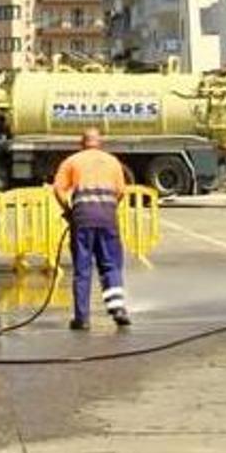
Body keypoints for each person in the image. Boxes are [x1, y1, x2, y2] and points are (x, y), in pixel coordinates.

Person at [54, 128, 131, 330]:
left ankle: (82, 318)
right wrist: (109, 206)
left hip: (82, 219)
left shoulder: (72, 161)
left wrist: (69, 211)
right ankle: (118, 309)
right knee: (111, 265)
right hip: (107, 218)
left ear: (82, 143)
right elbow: (121, 191)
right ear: (100, 142)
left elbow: (58, 189)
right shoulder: (113, 162)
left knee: (82, 269)